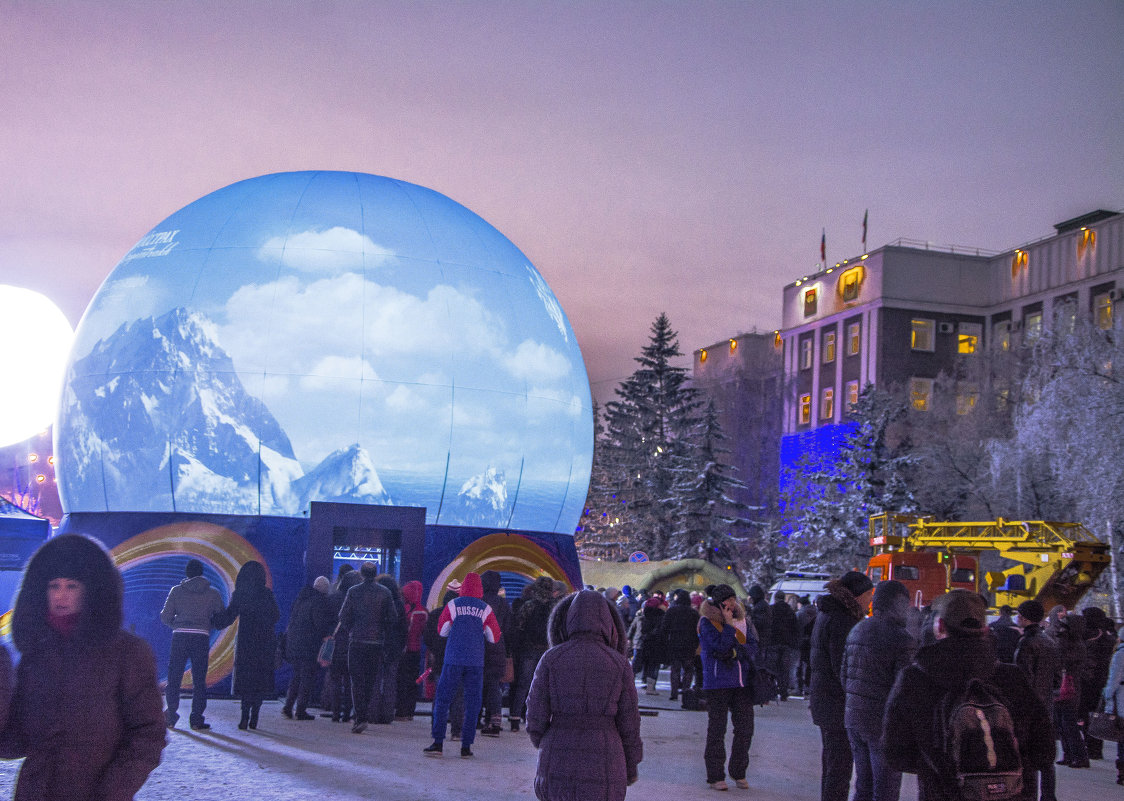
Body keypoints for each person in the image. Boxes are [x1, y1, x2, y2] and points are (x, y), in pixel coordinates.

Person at [0, 534, 165, 800]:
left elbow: (147, 735)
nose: (60, 596)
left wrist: (112, 792)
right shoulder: (37, 654)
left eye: (72, 586)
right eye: (54, 585)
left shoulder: (128, 653)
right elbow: (18, 737)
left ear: (92, 590)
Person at [884, 590, 1053, 801]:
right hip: (1012, 794)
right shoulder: (1013, 678)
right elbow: (1044, 752)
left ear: (940, 626)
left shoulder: (915, 679)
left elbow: (895, 754)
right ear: (984, 629)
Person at [526, 590, 643, 801]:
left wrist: (545, 742)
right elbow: (630, 721)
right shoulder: (619, 663)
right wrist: (631, 762)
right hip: (606, 754)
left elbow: (535, 712)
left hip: (558, 752)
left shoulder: (551, 658)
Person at [840, 579, 916, 801]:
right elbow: (904, 690)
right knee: (885, 790)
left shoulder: (857, 630)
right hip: (883, 724)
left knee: (863, 785)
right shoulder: (902, 639)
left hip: (854, 717)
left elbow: (845, 676)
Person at [809, 570, 874, 801]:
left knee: (833, 763)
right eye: (869, 595)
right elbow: (843, 667)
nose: (871, 601)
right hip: (836, 704)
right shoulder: (842, 620)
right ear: (857, 596)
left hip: (825, 700)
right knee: (839, 766)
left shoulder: (828, 613)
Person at [424, 572, 501, 758]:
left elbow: (442, 632)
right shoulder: (486, 609)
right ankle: (466, 747)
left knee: (443, 700)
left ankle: (438, 743)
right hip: (475, 662)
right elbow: (494, 637)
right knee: (472, 703)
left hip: (453, 659)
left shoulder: (452, 605)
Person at [697, 583, 757, 791]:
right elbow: (719, 646)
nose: (731, 604)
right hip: (717, 682)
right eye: (727, 601)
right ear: (718, 603)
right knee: (717, 729)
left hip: (742, 682)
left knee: (745, 729)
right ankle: (715, 776)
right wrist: (729, 626)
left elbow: (752, 646)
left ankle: (738, 771)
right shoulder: (707, 622)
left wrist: (736, 652)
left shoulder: (744, 620)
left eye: (733, 599)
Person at [212, 560, 281, 731]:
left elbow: (228, 617)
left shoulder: (240, 594)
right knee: (259, 681)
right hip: (264, 643)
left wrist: (213, 620)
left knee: (247, 680)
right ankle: (255, 717)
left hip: (246, 643)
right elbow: (276, 616)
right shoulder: (267, 594)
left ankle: (244, 717)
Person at [160, 557, 224, 730]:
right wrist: (206, 626)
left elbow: (165, 616)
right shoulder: (213, 593)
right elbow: (220, 617)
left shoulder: (176, 591)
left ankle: (171, 717)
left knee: (174, 678)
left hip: (180, 637)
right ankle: (196, 719)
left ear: (187, 574)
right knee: (199, 680)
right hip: (201, 638)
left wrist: (177, 625)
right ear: (201, 573)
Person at [336, 561, 396, 734]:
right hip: (376, 642)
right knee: (370, 680)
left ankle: (360, 716)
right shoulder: (385, 593)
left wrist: (352, 630)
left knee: (356, 680)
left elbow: (343, 616)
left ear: (361, 574)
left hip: (356, 641)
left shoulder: (353, 592)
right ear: (376, 574)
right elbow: (392, 617)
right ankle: (363, 714)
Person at [1014, 599, 1061, 801]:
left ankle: (1027, 793)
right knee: (1046, 754)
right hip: (1047, 704)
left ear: (1023, 618)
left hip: (1028, 707)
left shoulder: (1027, 643)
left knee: (1026, 754)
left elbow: (1022, 678)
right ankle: (1049, 795)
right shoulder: (1050, 642)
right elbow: (1057, 677)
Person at [281, 575, 334, 721]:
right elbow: (320, 624)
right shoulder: (319, 602)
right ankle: (301, 710)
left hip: (294, 643)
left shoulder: (301, 599)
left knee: (296, 676)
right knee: (307, 678)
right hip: (308, 646)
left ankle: (287, 707)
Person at [510, 576, 558, 732]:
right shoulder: (555, 607)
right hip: (548, 650)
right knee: (544, 686)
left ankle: (515, 719)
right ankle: (538, 719)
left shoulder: (529, 605)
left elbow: (519, 626)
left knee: (523, 684)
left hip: (529, 649)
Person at [1046, 605, 1089, 768]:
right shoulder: (1072, 641)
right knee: (1063, 721)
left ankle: (1079, 755)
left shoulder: (1074, 644)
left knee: (1068, 722)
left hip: (1069, 685)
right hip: (1065, 684)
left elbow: (1064, 659)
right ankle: (1069, 754)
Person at [1079, 606, 1116, 761]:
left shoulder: (1085, 637)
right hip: (1101, 680)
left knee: (1084, 714)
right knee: (1096, 714)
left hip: (1087, 680)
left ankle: (1089, 745)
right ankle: (1095, 747)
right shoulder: (1108, 639)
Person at [480, 569, 513, 735]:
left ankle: (475, 718)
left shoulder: (479, 601)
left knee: (477, 683)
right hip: (498, 647)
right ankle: (494, 721)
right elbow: (508, 628)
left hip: (480, 647)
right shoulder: (503, 604)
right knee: (494, 685)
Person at [328, 568, 363, 722]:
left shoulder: (333, 598)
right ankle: (347, 713)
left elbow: (326, 620)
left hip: (336, 643)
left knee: (335, 679)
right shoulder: (359, 600)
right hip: (352, 643)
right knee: (351, 681)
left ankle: (335, 713)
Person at [373, 573, 407, 724]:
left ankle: (372, 713)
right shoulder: (399, 605)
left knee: (374, 680)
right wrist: (401, 646)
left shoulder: (376, 601)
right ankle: (387, 714)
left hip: (376, 645)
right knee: (390, 681)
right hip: (393, 647)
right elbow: (403, 629)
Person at [395, 579, 429, 721]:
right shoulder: (424, 612)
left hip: (403, 650)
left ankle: (401, 711)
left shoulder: (403, 609)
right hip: (416, 650)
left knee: (401, 681)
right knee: (413, 681)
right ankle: (410, 711)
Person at [657, 588, 699, 702]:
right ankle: (685, 691)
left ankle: (674, 692)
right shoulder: (694, 613)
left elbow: (664, 628)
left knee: (675, 669)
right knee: (688, 669)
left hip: (674, 643)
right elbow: (698, 630)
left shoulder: (671, 611)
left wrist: (665, 642)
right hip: (690, 644)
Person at [628, 593, 666, 695]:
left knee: (636, 665)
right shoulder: (660, 617)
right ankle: (650, 688)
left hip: (640, 644)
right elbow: (662, 632)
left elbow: (632, 630)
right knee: (652, 666)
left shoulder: (640, 616)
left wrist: (630, 640)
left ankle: (628, 685)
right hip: (654, 645)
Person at [767, 591, 800, 700]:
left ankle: (772, 692)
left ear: (775, 598)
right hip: (787, 644)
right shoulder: (790, 611)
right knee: (784, 669)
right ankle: (783, 692)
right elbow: (795, 628)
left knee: (772, 668)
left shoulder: (771, 609)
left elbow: (768, 626)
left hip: (773, 642)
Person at [1102, 630, 1124, 784]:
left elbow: (1114, 679)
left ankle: (1122, 771)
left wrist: (1107, 695)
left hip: (1122, 699)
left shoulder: (1120, 654)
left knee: (1122, 737)